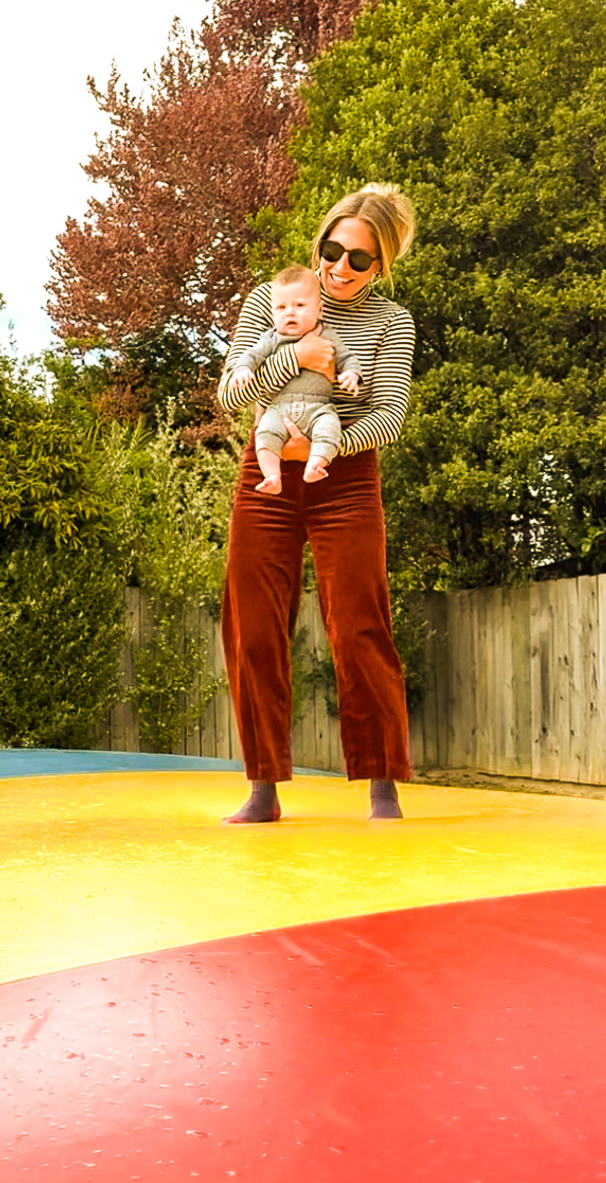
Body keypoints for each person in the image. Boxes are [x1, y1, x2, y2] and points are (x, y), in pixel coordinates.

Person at [217, 184, 416, 824]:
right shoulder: (272, 300)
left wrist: (326, 450)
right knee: (252, 626)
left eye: (359, 259)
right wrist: (295, 360)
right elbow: (231, 391)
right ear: (321, 242)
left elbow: (389, 414)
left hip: (345, 478)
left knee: (358, 624)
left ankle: (381, 783)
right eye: (334, 250)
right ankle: (263, 787)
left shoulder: (392, 322)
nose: (341, 268)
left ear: (380, 264)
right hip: (268, 475)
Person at [230, 265, 362, 494]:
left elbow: (347, 357)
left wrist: (351, 374)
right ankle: (272, 476)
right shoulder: (272, 338)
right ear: (273, 314)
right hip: (279, 407)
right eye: (281, 307)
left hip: (319, 406)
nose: (289, 313)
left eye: (299, 306)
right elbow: (251, 355)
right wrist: (243, 370)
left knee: (329, 428)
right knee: (265, 433)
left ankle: (315, 463)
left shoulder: (328, 334)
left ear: (319, 310)